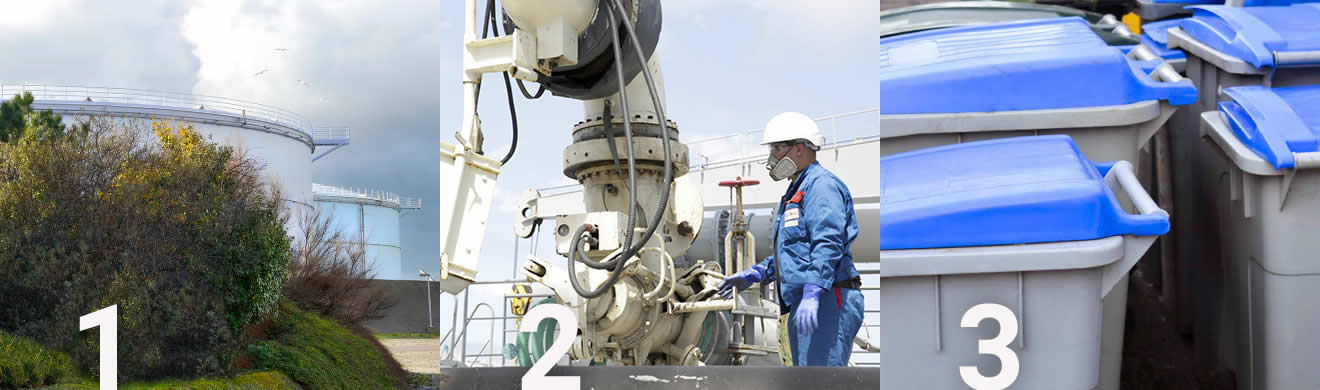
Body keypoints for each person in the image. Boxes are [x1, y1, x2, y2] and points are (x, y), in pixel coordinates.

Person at [716, 111, 863, 367]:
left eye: (776, 148)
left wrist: (813, 290)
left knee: (820, 383)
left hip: (827, 298)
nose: (772, 156)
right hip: (805, 301)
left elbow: (828, 241)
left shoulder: (821, 186)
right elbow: (795, 250)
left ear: (798, 148)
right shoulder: (796, 191)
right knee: (805, 380)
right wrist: (760, 272)